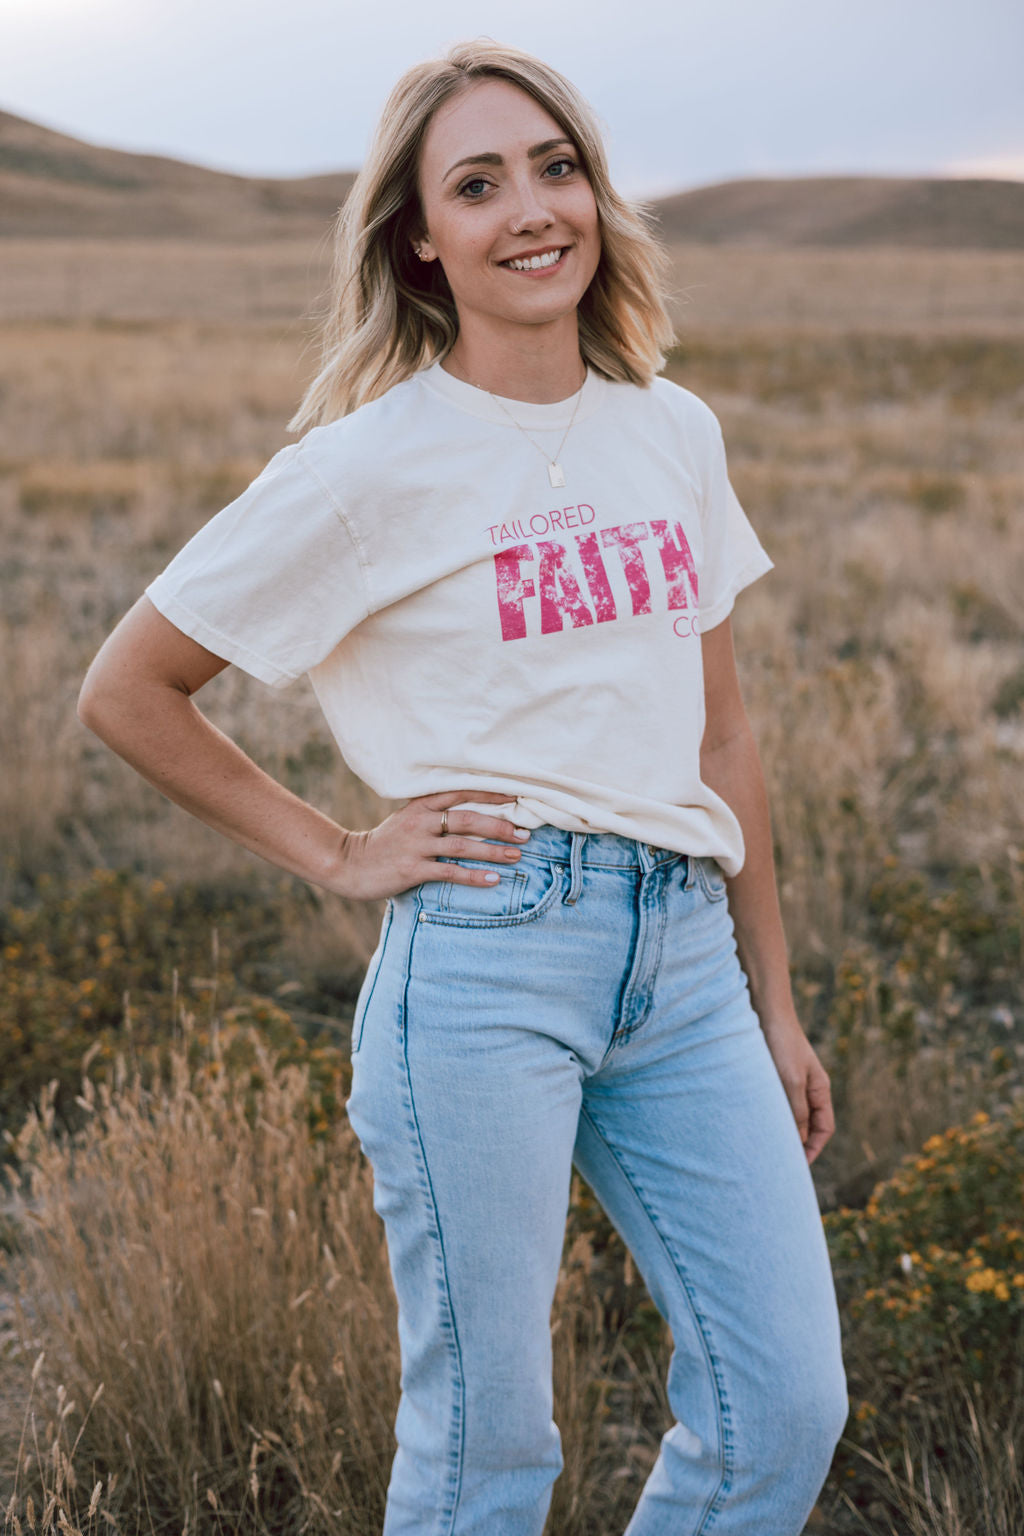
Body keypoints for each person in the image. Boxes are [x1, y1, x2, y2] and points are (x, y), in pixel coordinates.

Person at [78, 38, 848, 1536]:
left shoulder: (671, 432)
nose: (531, 209)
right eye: (478, 184)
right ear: (420, 238)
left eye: (556, 168)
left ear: (599, 198)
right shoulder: (366, 468)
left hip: (685, 963)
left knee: (785, 1409)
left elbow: (725, 742)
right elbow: (128, 689)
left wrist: (777, 1002)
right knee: (487, 1452)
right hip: (491, 956)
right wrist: (336, 852)